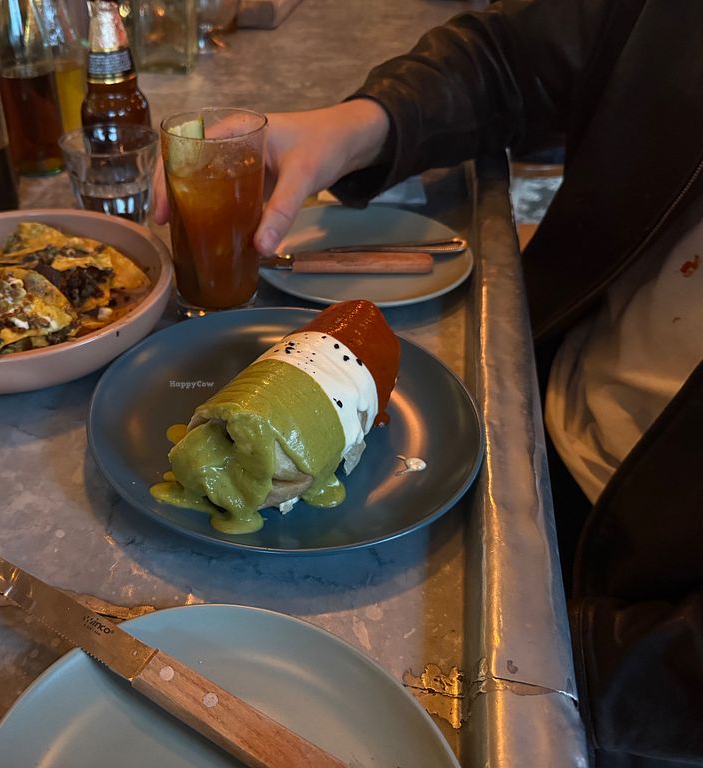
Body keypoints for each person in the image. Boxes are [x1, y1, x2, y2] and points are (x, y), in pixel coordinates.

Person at [154, 1, 703, 765]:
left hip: (642, 638)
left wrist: (549, 669)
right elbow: (509, 59)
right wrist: (358, 125)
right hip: (530, 415)